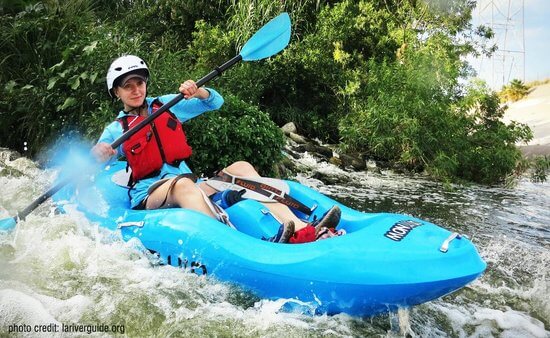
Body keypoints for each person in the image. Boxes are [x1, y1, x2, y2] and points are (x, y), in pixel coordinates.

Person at [91, 55, 341, 243]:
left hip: (188, 183)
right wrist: (99, 154)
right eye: (128, 86)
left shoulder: (166, 105)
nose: (136, 90)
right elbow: (94, 162)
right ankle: (230, 241)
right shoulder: (116, 129)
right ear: (116, 92)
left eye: (139, 83)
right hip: (151, 194)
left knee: (241, 168)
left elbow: (215, 102)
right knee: (182, 185)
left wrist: (199, 91)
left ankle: (300, 228)